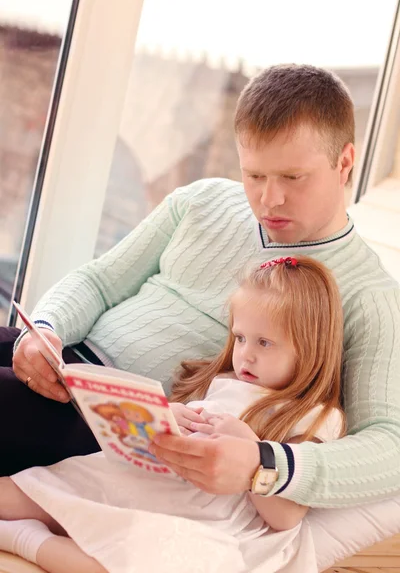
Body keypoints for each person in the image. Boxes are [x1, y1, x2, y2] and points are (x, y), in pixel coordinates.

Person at [1, 63, 400, 568]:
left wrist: (265, 463)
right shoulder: (202, 201)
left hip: (118, 428)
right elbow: (98, 281)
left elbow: (391, 444)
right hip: (66, 367)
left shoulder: (370, 296)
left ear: (345, 162)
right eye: (254, 174)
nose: (268, 198)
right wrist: (48, 330)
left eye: (293, 178)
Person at [0, 256, 346, 573]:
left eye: (264, 343)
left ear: (311, 348)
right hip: (145, 478)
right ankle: (31, 519)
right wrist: (167, 415)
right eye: (240, 338)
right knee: (31, 492)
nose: (245, 356)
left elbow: (286, 517)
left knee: (135, 559)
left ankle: (23, 538)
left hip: (200, 515)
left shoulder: (316, 416)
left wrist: (253, 451)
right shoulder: (226, 381)